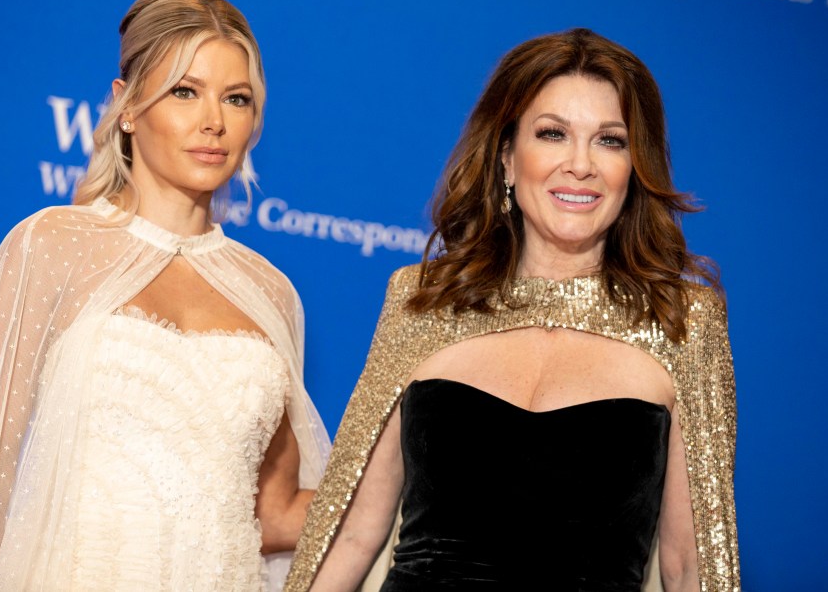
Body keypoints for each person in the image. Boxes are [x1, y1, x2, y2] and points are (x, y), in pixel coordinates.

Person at [0, 0, 330, 592]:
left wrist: (414, 469)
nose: (214, 121)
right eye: (185, 91)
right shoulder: (53, 245)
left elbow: (273, 509)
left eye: (237, 98)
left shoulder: (272, 292)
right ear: (127, 106)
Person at [285, 29, 739, 592]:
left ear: (634, 168)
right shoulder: (424, 300)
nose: (580, 165)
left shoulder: (681, 323)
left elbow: (692, 567)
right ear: (506, 159)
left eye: (610, 141)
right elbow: (351, 533)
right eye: (552, 134)